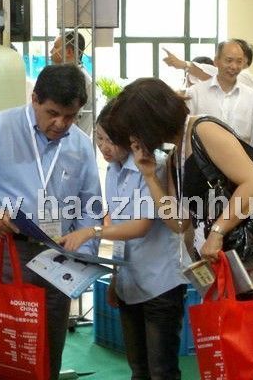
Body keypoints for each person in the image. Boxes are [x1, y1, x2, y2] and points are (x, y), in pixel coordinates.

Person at [108, 77, 253, 379]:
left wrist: (217, 232)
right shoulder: (174, 155)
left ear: (151, 120)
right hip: (221, 266)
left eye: (135, 130)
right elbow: (178, 222)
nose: (133, 139)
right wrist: (148, 175)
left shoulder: (203, 130)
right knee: (231, 351)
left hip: (250, 256)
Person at [0, 64, 102, 380]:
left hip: (57, 257)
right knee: (3, 347)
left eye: (70, 117)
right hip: (2, 251)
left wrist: (84, 254)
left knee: (48, 351)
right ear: (35, 99)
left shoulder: (80, 144)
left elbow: (91, 204)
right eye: (52, 113)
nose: (60, 124)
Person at [59, 101, 187, 380]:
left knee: (162, 371)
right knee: (138, 369)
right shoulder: (113, 171)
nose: (103, 147)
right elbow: (119, 228)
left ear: (130, 139)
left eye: (110, 140)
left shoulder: (154, 167)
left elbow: (141, 226)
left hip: (160, 284)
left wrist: (90, 232)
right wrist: (117, 278)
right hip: (131, 282)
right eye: (99, 139)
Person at [185, 40, 253, 143]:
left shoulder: (252, 97)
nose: (234, 66)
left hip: (241, 153)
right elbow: (186, 135)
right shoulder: (195, 93)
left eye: (239, 61)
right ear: (216, 61)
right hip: (202, 153)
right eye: (229, 60)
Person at [50, 31, 95, 136]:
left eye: (55, 47)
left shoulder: (79, 79)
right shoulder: (69, 77)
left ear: (69, 52)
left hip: (72, 142)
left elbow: (70, 118)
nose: (51, 51)